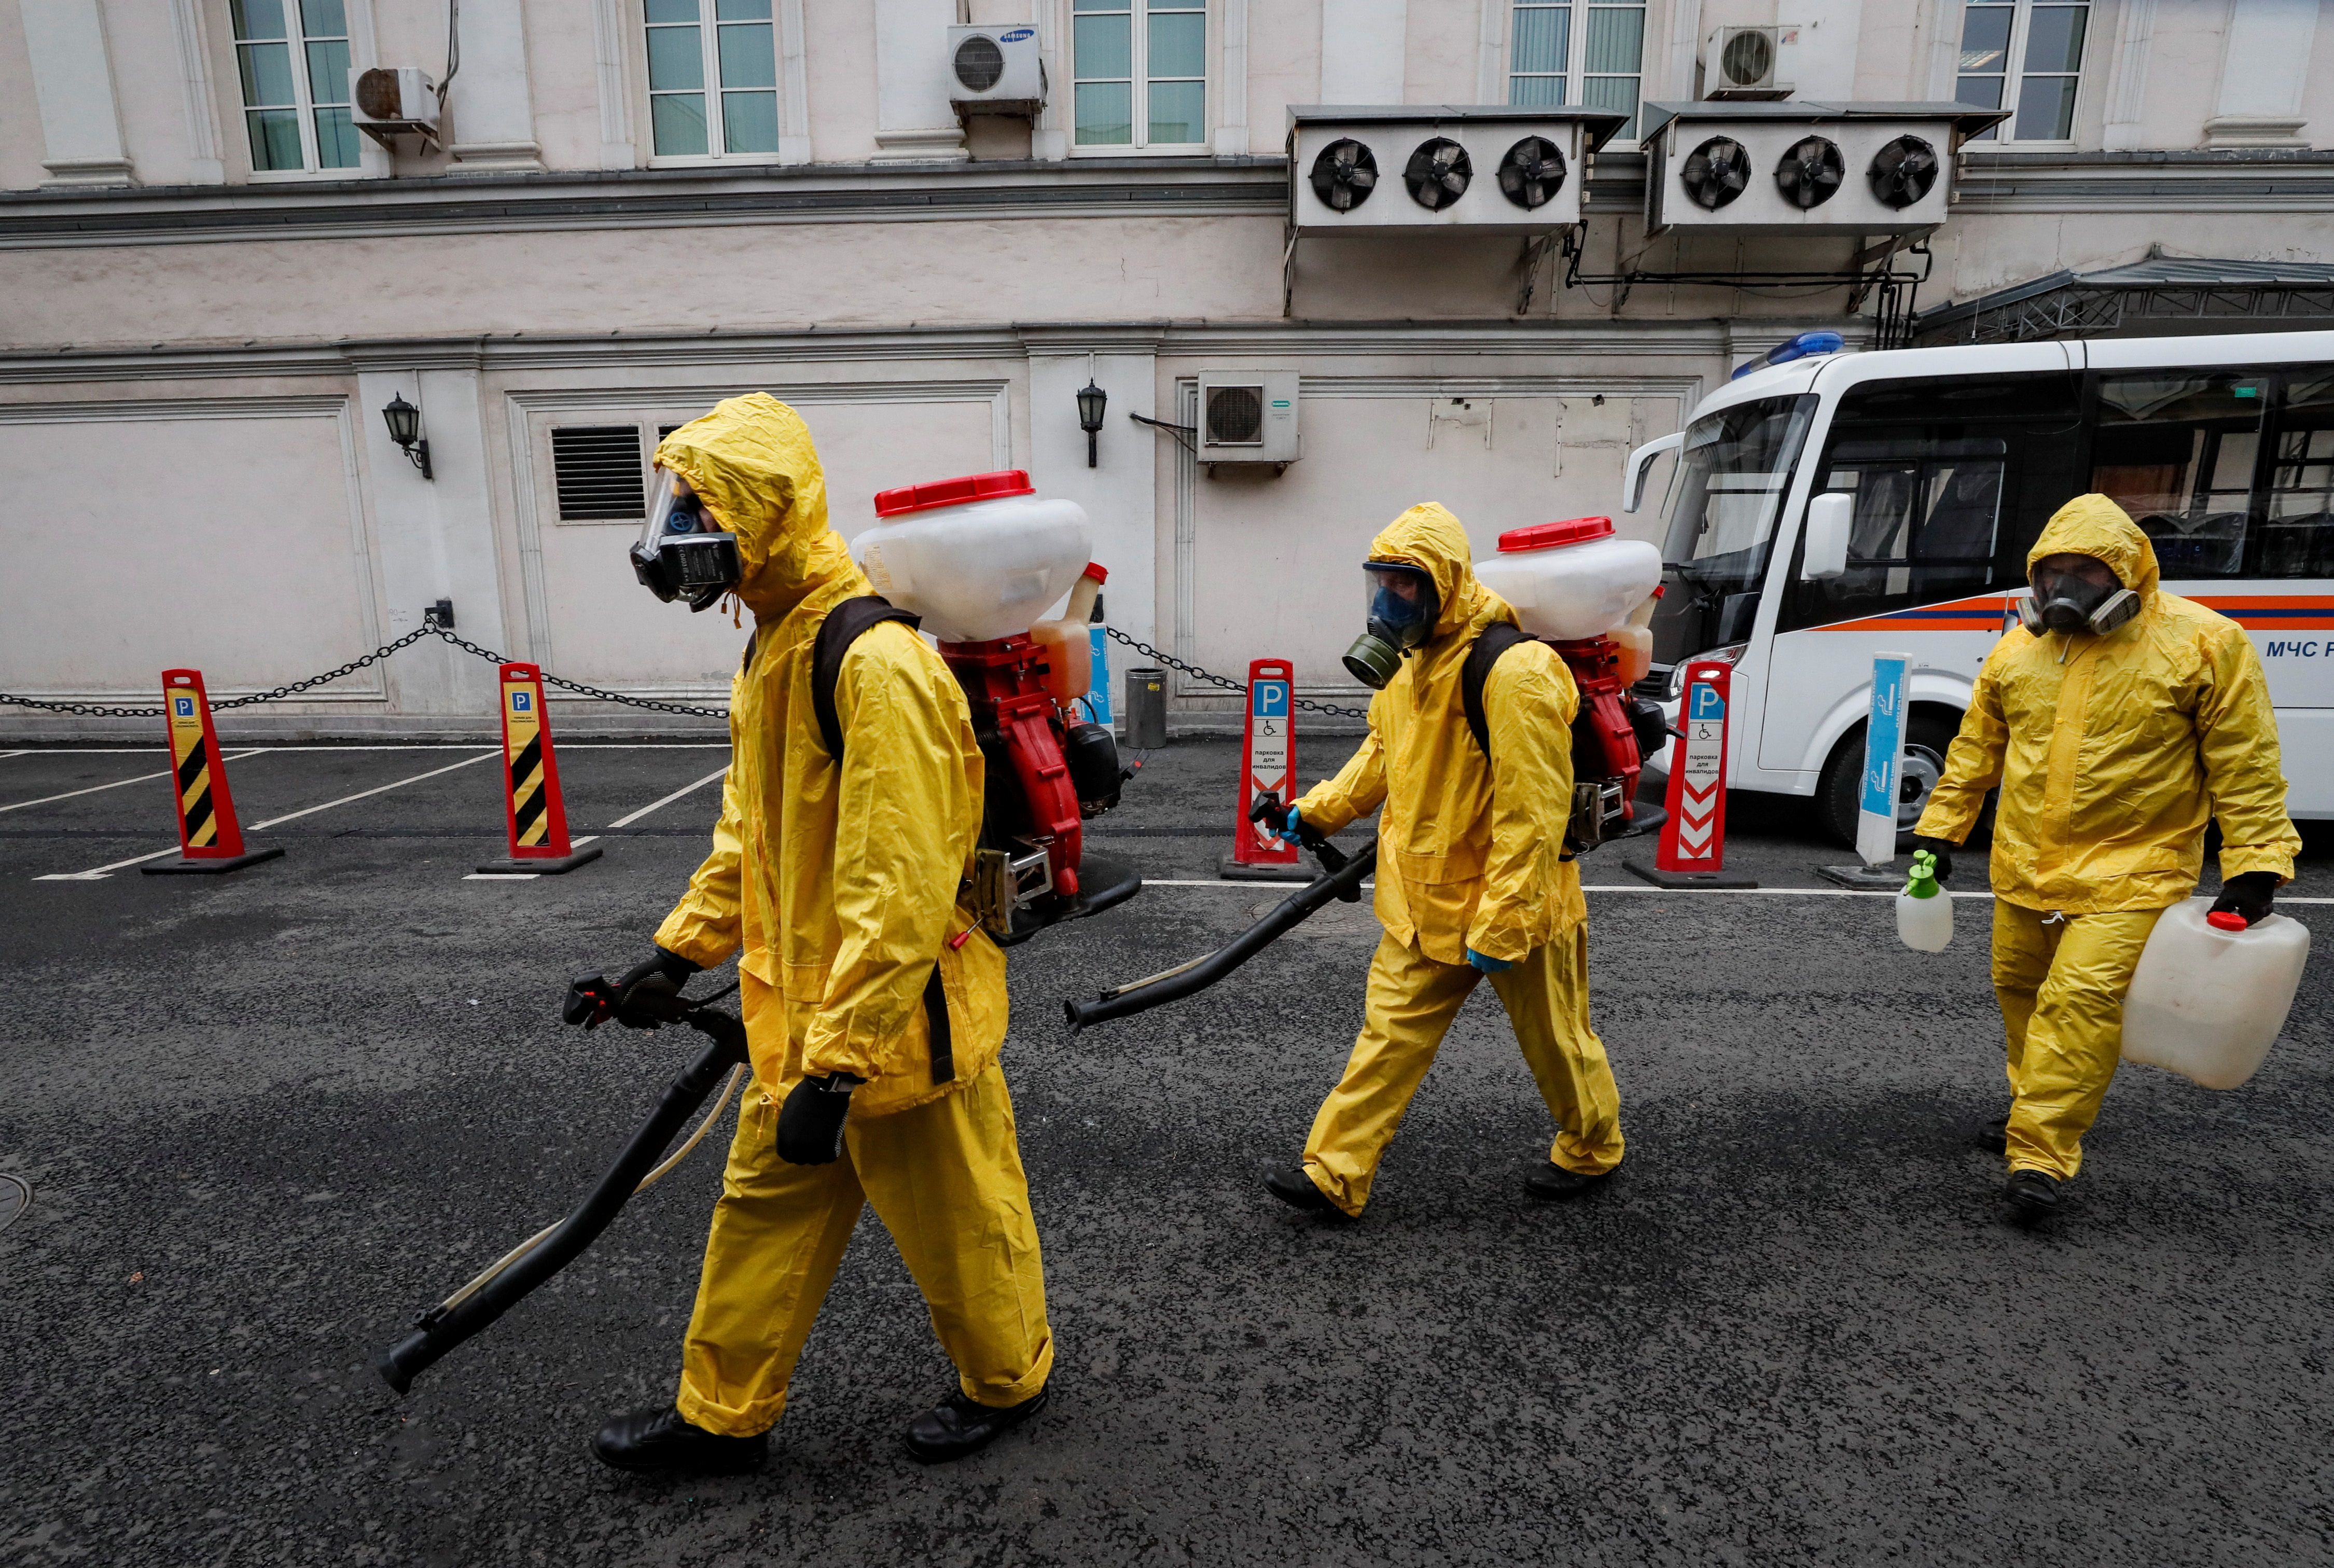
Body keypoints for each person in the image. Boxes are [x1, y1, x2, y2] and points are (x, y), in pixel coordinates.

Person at [593, 394, 1052, 1474]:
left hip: (898, 1028)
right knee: (759, 1213)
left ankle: (1009, 1380)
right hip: (805, 1020)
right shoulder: (776, 640)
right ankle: (721, 1416)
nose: (676, 534)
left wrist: (840, 1069)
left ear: (769, 513)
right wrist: (678, 951)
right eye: (675, 505)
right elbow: (754, 832)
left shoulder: (869, 661)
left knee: (962, 1222)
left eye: (699, 507)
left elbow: (898, 886)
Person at [1912, 493, 2299, 1223]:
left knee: (2078, 1004)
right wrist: (1941, 828)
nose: (2062, 591)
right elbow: (1975, 751)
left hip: (2136, 870)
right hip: (2026, 866)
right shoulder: (2019, 649)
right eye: (2050, 574)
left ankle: (2040, 1155)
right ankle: (2036, 1106)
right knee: (2022, 992)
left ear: (2125, 572)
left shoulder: (2204, 643)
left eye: (2082, 574)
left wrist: (2256, 862)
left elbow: (2244, 761)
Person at [1263, 502, 1627, 1219]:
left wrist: (1505, 919)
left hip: (1509, 908)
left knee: (1557, 1043)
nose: (1385, 599)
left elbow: (1536, 812)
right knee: (1386, 1042)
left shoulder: (1514, 671)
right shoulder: (1411, 665)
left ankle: (1593, 1145)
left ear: (1447, 584)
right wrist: (1320, 810)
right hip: (1423, 903)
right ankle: (1336, 1174)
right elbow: (1380, 757)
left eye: (1404, 585)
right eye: (1380, 581)